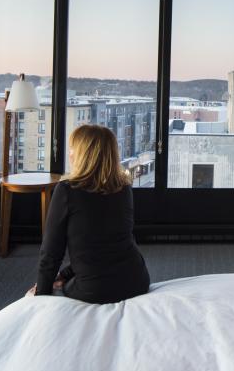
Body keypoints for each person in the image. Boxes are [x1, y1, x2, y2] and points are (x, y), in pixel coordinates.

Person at [26, 124, 150, 302]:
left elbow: (51, 252)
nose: (69, 153)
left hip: (95, 290)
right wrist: (65, 274)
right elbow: (109, 245)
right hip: (137, 281)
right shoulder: (123, 187)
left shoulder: (67, 190)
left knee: (52, 290)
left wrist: (41, 295)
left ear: (83, 154)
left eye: (72, 148)